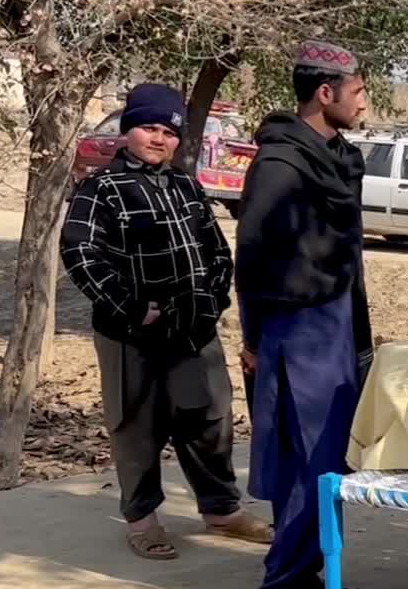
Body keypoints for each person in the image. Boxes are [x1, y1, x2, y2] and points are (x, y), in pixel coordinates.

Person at [59, 83, 273, 560]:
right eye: (148, 128)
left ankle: (221, 510)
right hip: (131, 333)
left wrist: (212, 298)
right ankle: (142, 519)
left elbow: (217, 251)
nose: (158, 139)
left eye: (167, 131)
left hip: (194, 331)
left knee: (210, 418)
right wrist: (132, 306)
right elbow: (80, 253)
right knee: (136, 426)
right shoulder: (102, 188)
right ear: (128, 130)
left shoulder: (185, 186)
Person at [236, 40, 376, 589]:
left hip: (339, 323)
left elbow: (347, 258)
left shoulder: (339, 158)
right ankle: (280, 587)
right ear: (327, 93)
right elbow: (253, 258)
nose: (365, 104)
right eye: (360, 93)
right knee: (306, 459)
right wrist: (254, 338)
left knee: (333, 458)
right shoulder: (280, 164)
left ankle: (315, 570)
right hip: (298, 329)